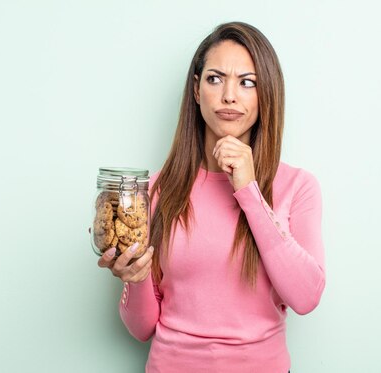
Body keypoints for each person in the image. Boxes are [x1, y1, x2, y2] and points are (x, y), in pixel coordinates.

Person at [98, 21, 326, 373]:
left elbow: (307, 296)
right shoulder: (156, 190)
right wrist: (135, 278)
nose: (229, 96)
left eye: (247, 82)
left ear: (267, 93)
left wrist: (249, 191)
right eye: (215, 79)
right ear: (196, 89)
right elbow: (142, 328)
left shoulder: (297, 186)